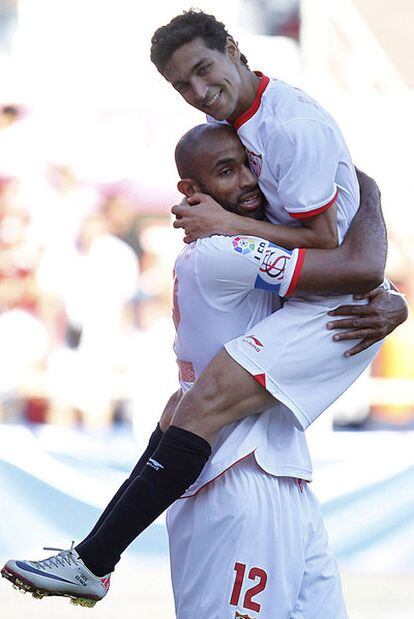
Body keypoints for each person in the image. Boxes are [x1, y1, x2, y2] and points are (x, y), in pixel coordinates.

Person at [1, 124, 401, 616]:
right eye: (226, 172)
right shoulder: (219, 252)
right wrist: (366, 187)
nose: (249, 182)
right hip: (232, 479)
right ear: (191, 193)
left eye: (248, 164)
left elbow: (344, 282)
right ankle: (92, 559)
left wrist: (392, 303)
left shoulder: (239, 245)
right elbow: (358, 269)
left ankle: (93, 558)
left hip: (284, 476)